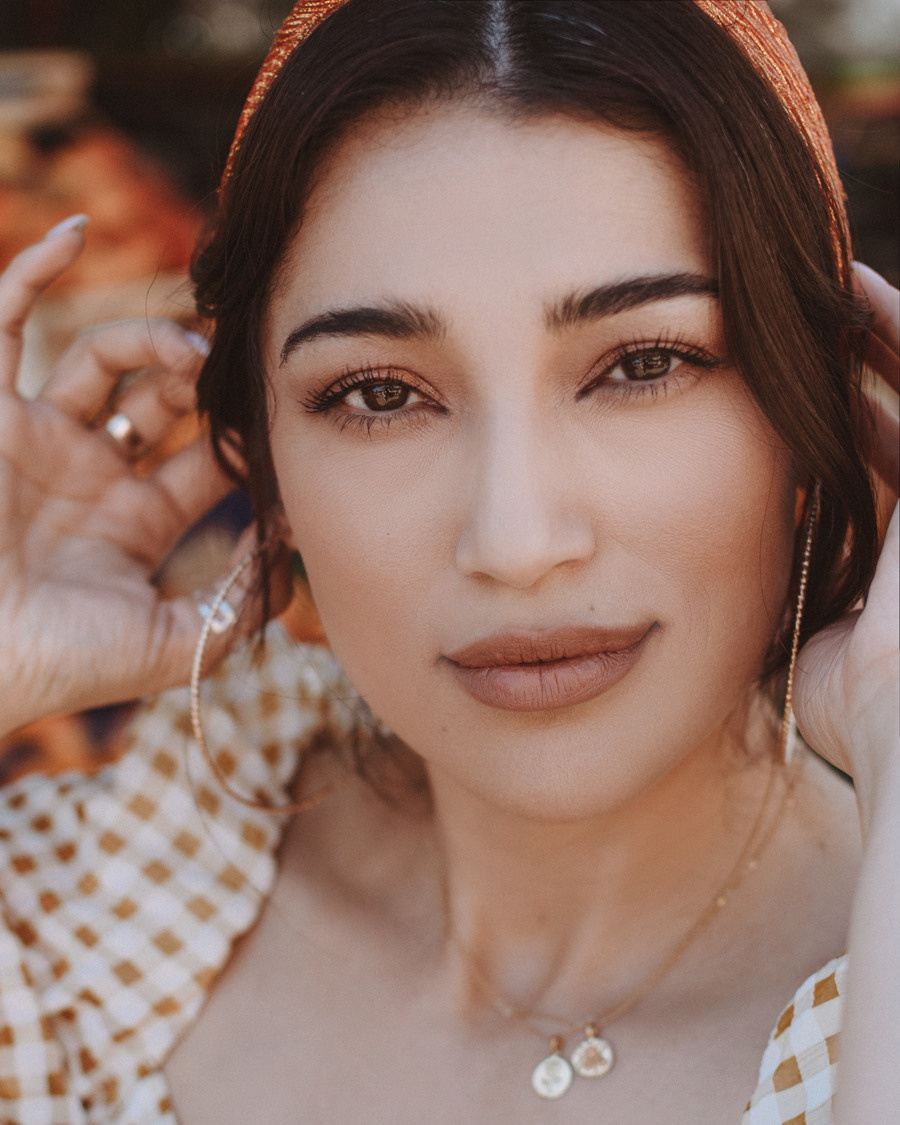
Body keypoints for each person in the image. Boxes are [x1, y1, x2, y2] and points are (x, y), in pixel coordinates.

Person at [0, 1, 897, 1121]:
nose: (516, 544)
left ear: (816, 399)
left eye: (644, 363)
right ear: (261, 456)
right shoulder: (88, 913)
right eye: (380, 394)